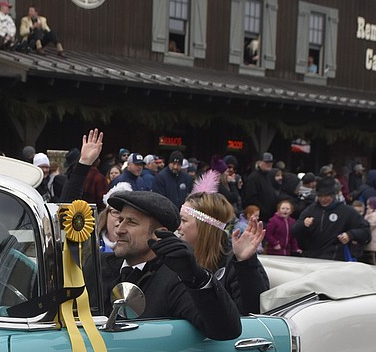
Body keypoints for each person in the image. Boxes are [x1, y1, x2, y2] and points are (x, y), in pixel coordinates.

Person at [61, 129, 241, 340]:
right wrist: (82, 167)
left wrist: (195, 276)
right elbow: (66, 229)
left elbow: (225, 329)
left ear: (160, 234)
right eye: (120, 220)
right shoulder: (99, 264)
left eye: (132, 222)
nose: (119, 229)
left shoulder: (174, 281)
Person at [179, 189, 269, 314]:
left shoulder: (233, 263)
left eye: (183, 220)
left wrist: (245, 263)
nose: (178, 226)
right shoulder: (181, 258)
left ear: (204, 225)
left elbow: (253, 312)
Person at [292, 177, 371, 260]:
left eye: (326, 196)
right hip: (312, 259)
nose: (323, 199)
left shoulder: (346, 211)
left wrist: (350, 235)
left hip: (335, 259)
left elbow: (366, 231)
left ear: (333, 195)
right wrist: (303, 224)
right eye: (320, 196)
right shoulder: (311, 210)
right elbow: (294, 231)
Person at [242, 152, 278, 221]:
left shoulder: (269, 176)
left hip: (269, 217)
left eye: (271, 162)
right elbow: (251, 199)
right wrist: (263, 211)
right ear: (259, 163)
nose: (269, 164)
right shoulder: (253, 178)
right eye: (266, 162)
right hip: (259, 217)